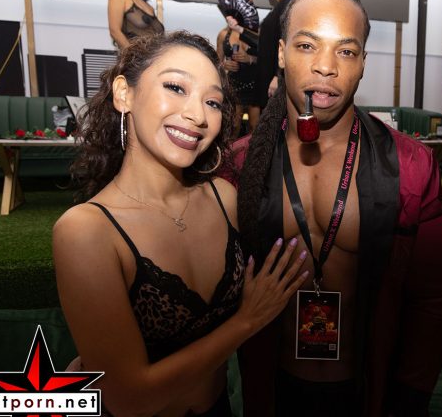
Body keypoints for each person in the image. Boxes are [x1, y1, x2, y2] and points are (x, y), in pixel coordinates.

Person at [227, 0, 442, 417]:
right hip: (272, 392)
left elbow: (432, 301)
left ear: (364, 63)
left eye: (346, 51)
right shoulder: (239, 166)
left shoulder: (411, 166)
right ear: (280, 53)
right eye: (307, 46)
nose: (326, 67)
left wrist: (409, 399)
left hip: (366, 395)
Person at [53, 31, 308, 416]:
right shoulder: (87, 231)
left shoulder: (224, 198)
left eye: (212, 102)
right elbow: (128, 399)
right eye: (175, 87)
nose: (197, 115)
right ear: (124, 94)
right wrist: (247, 320)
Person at [226, 0, 302, 113]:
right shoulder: (284, 4)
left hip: (276, 84)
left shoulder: (289, 3)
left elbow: (289, 43)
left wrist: (278, 76)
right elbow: (266, 44)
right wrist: (240, 30)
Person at [216, 0, 260, 134]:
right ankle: (232, 150)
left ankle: (254, 150)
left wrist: (251, 59)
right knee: (234, 126)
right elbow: (217, 63)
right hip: (234, 85)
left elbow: (270, 59)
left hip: (255, 84)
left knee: (255, 127)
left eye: (249, 5)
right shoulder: (224, 34)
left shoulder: (259, 34)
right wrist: (225, 65)